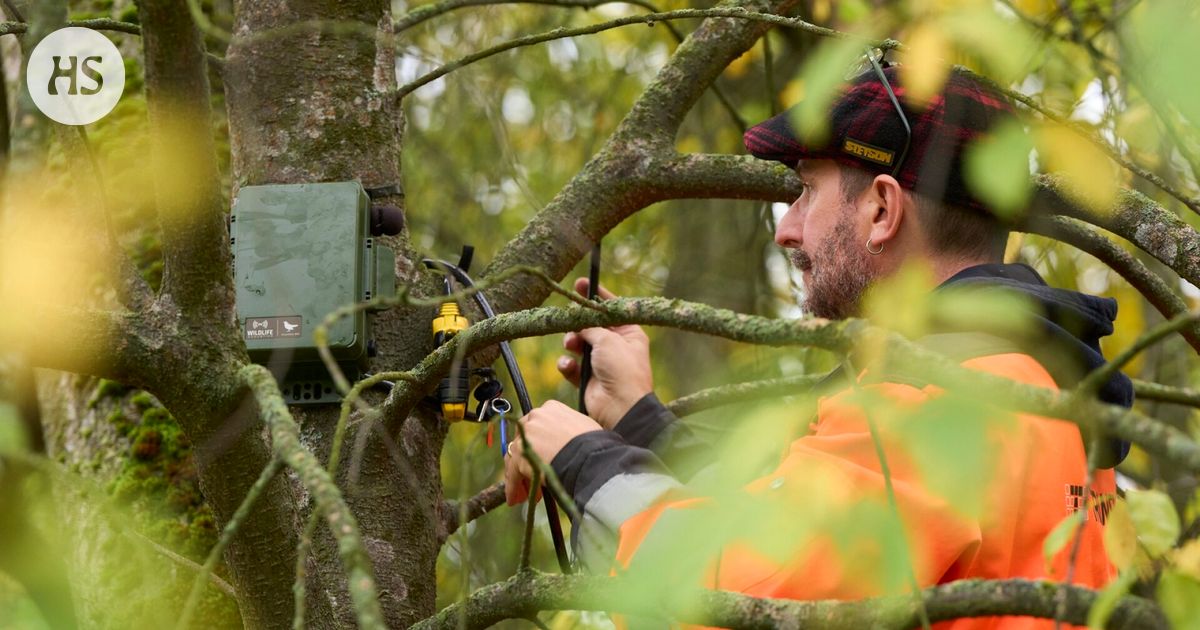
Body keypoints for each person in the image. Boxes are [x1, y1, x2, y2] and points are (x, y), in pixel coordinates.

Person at [502, 58, 1130, 626]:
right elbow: (788, 528)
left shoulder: (929, 400)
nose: (787, 229)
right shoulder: (1030, 385)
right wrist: (638, 421)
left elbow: (730, 598)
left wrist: (584, 462)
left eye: (807, 190)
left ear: (881, 210)